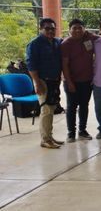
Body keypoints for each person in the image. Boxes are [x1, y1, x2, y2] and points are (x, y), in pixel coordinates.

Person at [26, 18, 64, 149]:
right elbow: (31, 65)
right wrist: (37, 83)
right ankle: (45, 139)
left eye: (53, 29)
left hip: (54, 81)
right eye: (47, 28)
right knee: (46, 110)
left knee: (51, 109)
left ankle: (49, 136)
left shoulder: (57, 42)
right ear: (41, 29)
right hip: (42, 81)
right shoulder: (35, 44)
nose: (50, 31)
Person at [61, 19, 98, 142]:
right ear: (69, 29)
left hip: (87, 80)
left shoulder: (89, 38)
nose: (77, 30)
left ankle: (82, 130)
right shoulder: (66, 44)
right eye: (74, 28)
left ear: (84, 28)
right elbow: (64, 65)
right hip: (71, 81)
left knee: (84, 106)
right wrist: (69, 82)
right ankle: (71, 132)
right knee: (71, 107)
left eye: (80, 28)